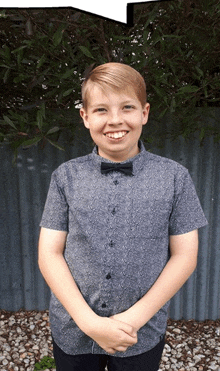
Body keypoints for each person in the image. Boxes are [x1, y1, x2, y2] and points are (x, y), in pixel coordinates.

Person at [38, 62, 208, 371]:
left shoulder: (174, 178)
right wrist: (89, 322)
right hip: (74, 328)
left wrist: (132, 319)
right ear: (85, 117)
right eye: (101, 110)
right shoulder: (65, 177)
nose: (115, 120)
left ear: (144, 113)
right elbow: (49, 253)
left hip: (140, 332)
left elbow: (185, 256)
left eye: (127, 107)